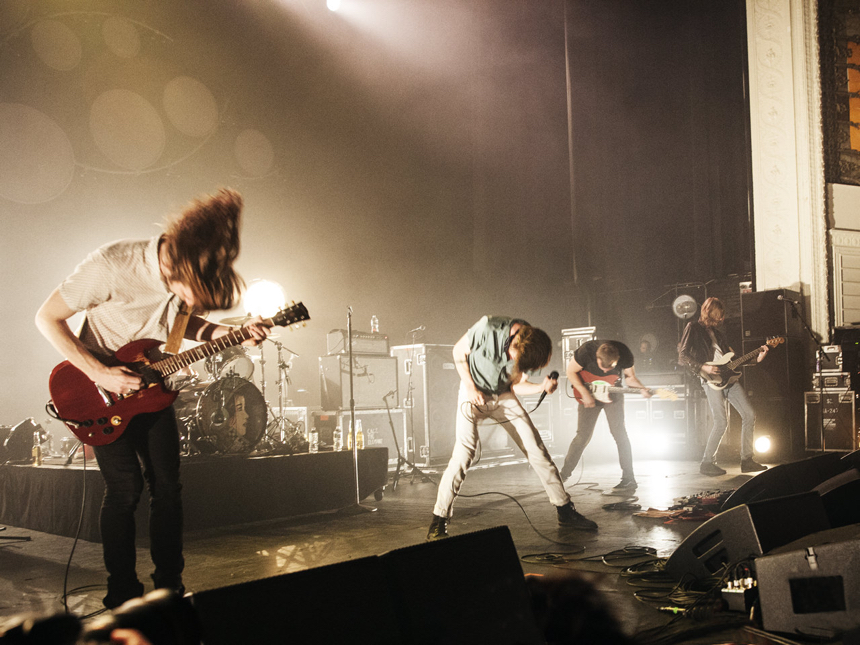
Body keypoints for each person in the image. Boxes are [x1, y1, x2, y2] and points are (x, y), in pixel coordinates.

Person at [35, 188, 270, 609]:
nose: (194, 303)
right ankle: (122, 594)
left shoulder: (186, 277)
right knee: (124, 492)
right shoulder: (111, 265)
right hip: (101, 395)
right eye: (192, 292)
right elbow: (46, 318)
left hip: (154, 392)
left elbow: (182, 325)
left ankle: (169, 588)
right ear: (173, 262)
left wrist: (234, 333)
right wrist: (101, 372)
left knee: (169, 489)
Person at [427, 316, 597, 541]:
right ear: (514, 340)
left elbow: (516, 384)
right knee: (463, 454)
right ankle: (438, 520)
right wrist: (469, 387)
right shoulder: (488, 328)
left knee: (536, 448)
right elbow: (458, 352)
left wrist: (541, 388)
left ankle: (564, 511)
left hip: (504, 396)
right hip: (472, 392)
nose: (513, 362)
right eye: (514, 357)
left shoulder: (528, 347)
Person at [678, 297, 768, 476]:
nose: (721, 319)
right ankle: (707, 462)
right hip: (710, 379)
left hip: (729, 378)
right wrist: (703, 366)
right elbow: (683, 355)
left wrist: (756, 359)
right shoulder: (693, 327)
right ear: (709, 311)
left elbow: (733, 360)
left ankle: (747, 460)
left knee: (749, 414)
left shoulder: (718, 334)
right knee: (721, 422)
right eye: (719, 315)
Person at [560, 340, 651, 491]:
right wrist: (584, 392)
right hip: (588, 393)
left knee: (620, 434)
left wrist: (642, 388)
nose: (605, 371)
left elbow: (630, 377)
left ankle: (629, 478)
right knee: (582, 436)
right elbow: (570, 372)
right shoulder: (586, 351)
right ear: (597, 358)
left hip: (612, 395)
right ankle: (563, 475)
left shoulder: (625, 353)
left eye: (611, 368)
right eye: (603, 367)